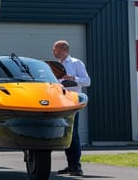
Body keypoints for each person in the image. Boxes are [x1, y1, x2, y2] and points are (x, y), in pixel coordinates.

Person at [52, 40, 91, 176]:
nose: (53, 51)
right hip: (60, 102)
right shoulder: (56, 66)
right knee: (65, 133)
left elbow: (87, 81)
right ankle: (71, 165)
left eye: (55, 49)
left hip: (72, 102)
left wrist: (73, 78)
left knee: (72, 133)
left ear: (63, 49)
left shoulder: (76, 63)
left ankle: (76, 166)